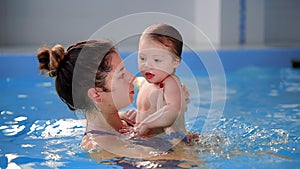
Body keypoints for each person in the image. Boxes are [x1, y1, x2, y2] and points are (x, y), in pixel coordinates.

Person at [36, 40, 163, 158]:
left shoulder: (127, 119)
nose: (132, 78)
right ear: (96, 94)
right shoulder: (104, 147)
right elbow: (177, 162)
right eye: (121, 75)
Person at [120, 24, 189, 144]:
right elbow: (138, 83)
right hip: (146, 138)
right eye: (142, 58)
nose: (147, 65)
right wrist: (139, 116)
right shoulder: (145, 82)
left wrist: (147, 123)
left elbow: (172, 110)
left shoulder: (170, 83)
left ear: (175, 62)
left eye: (157, 60)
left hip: (170, 141)